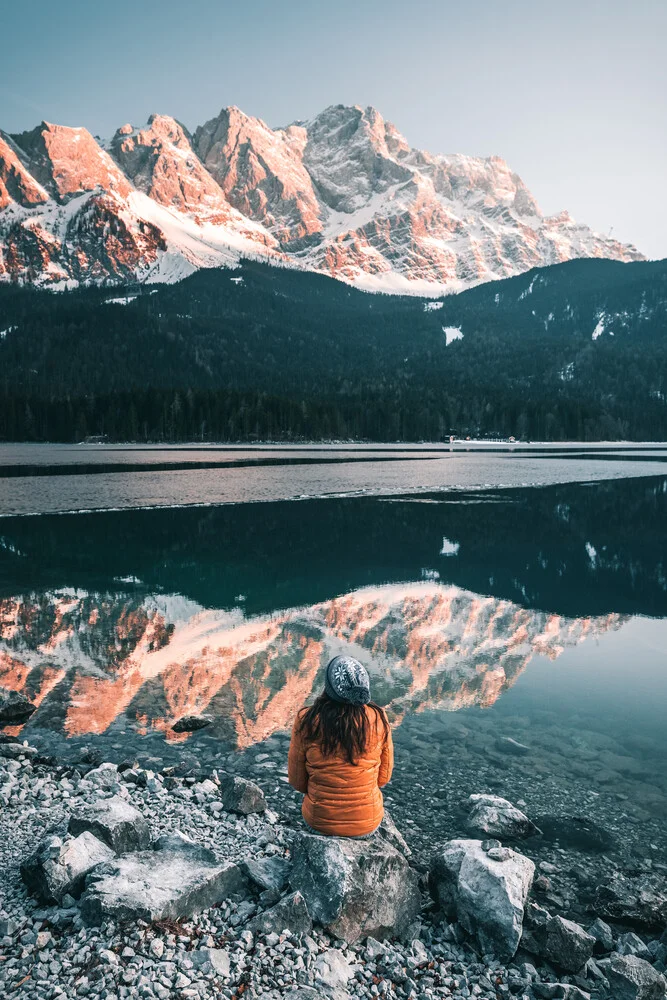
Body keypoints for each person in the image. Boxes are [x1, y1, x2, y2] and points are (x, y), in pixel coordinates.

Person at [287, 655, 393, 837]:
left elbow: (297, 782)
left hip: (319, 822)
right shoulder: (379, 719)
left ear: (329, 688)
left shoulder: (307, 720)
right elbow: (383, 778)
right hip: (367, 824)